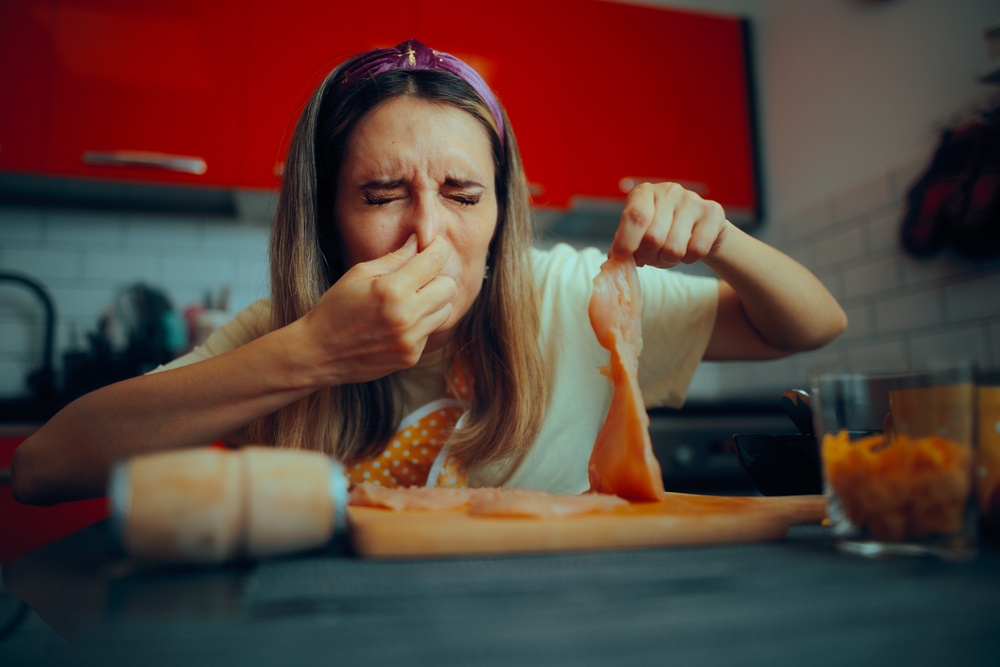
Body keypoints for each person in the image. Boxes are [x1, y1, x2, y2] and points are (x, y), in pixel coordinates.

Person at [12, 40, 846, 506]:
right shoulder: (280, 334)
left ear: (501, 213)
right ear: (327, 220)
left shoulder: (568, 295)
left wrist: (722, 237)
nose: (429, 231)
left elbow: (808, 325)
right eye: (381, 194)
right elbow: (43, 469)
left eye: (462, 193)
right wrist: (314, 355)